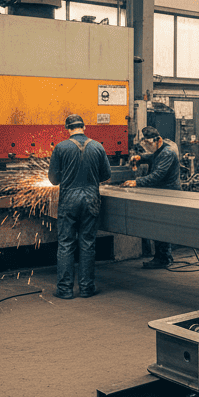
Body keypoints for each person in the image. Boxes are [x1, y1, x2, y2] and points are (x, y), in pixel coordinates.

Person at [47, 113, 111, 299]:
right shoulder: (98, 146)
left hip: (69, 201)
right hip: (91, 200)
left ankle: (65, 290)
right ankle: (86, 288)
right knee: (87, 244)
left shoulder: (60, 147)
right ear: (84, 127)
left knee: (66, 244)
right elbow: (106, 175)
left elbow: (53, 180)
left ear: (67, 129)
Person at [120, 125, 181, 268]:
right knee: (158, 225)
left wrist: (137, 182)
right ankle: (162, 256)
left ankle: (163, 258)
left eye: (149, 144)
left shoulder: (168, 152)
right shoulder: (160, 150)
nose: (147, 146)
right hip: (160, 193)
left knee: (162, 226)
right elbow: (153, 156)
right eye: (145, 143)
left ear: (158, 140)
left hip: (168, 193)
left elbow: (157, 175)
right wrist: (140, 157)